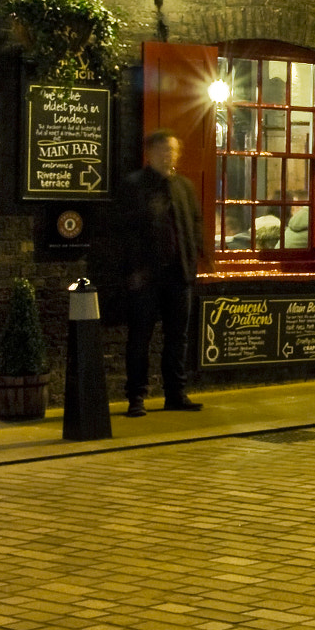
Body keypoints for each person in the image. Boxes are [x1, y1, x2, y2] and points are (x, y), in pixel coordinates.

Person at [120, 130, 203, 416]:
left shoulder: (183, 186)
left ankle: (175, 393)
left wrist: (194, 260)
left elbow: (193, 224)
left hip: (179, 274)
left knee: (177, 337)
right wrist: (134, 270)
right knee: (140, 336)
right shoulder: (134, 186)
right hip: (147, 276)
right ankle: (136, 397)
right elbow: (124, 233)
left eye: (173, 150)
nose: (170, 155)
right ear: (150, 153)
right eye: (164, 150)